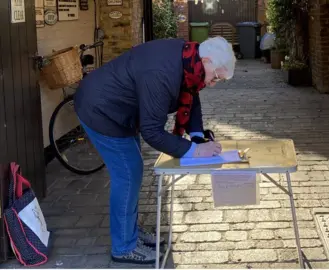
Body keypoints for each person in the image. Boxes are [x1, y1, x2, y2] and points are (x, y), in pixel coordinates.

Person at [73, 36, 237, 264]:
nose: (213, 83)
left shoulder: (190, 60)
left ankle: (129, 234)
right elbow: (152, 131)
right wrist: (193, 151)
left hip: (118, 109)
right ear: (207, 61)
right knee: (128, 174)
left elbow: (191, 94)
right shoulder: (161, 73)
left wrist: (197, 137)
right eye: (216, 77)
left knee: (132, 172)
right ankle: (123, 247)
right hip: (101, 109)